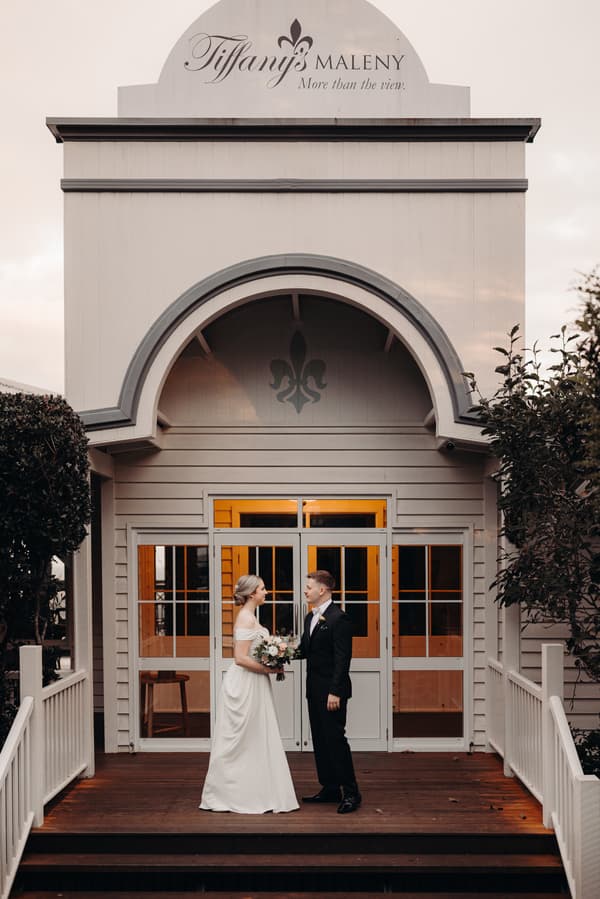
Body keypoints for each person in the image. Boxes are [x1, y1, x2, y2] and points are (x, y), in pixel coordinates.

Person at [199, 574, 298, 814]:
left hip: (256, 681)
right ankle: (230, 792)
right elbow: (240, 658)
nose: (267, 592)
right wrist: (269, 667)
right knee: (242, 738)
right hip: (244, 683)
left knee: (256, 736)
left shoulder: (251, 617)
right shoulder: (244, 618)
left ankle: (259, 789)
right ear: (252, 593)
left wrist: (274, 657)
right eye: (263, 589)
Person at [298, 569, 361, 814]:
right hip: (313, 690)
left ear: (322, 590)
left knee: (335, 741)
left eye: (308, 587)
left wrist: (335, 691)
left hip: (332, 693)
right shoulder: (309, 618)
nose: (305, 590)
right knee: (320, 741)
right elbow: (305, 650)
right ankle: (330, 788)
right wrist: (277, 654)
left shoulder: (339, 618)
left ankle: (352, 793)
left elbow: (343, 659)